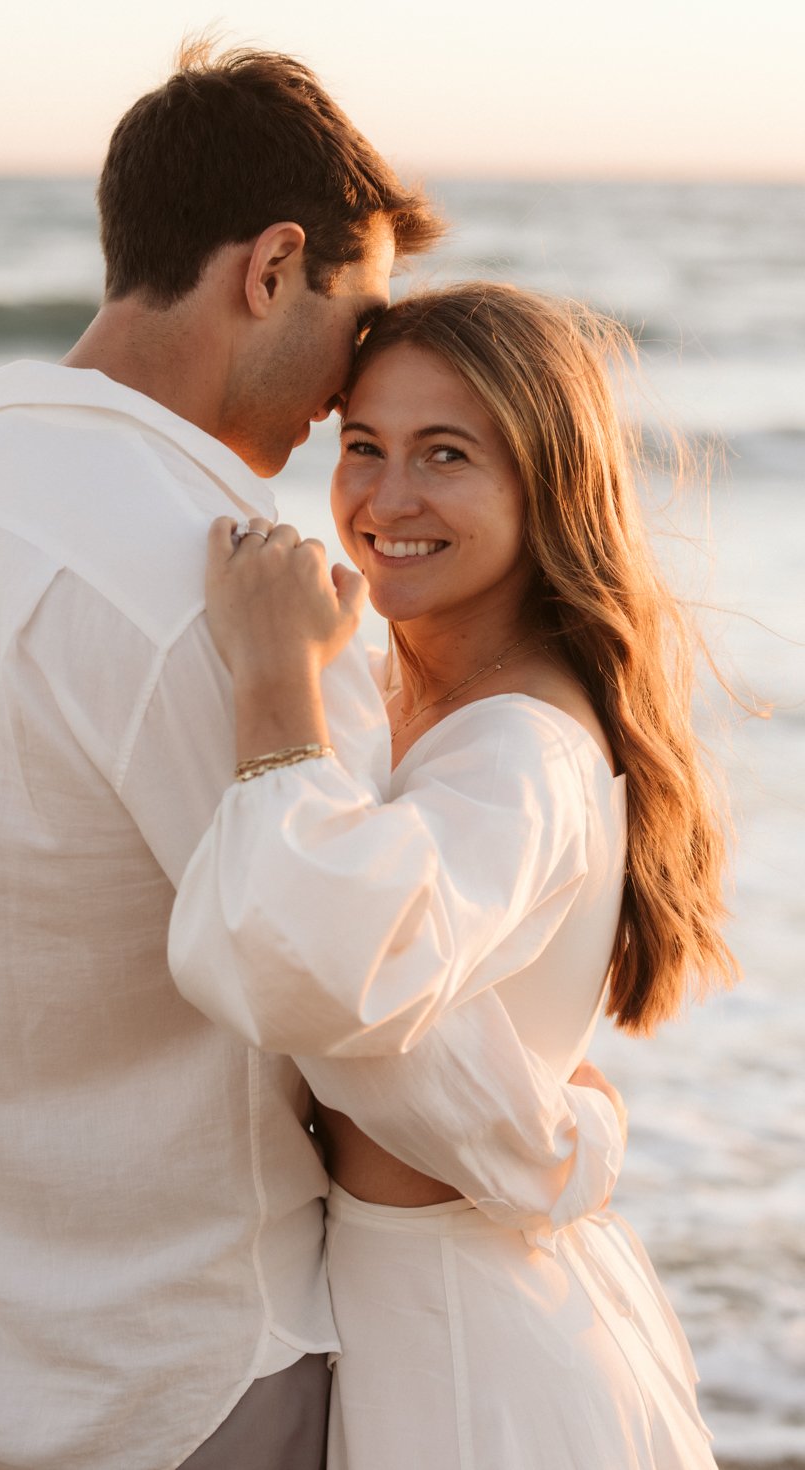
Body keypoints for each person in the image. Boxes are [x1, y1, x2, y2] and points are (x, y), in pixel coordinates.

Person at [0, 45, 625, 1470]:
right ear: (272, 268)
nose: (340, 393)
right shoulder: (225, 584)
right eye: (353, 317)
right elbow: (359, 1012)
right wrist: (572, 1145)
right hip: (167, 1381)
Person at [168, 282, 737, 1468]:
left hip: (466, 1348)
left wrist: (275, 689)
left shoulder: (514, 747)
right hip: (421, 1300)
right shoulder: (414, 684)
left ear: (548, 483)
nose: (386, 499)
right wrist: (27, 434)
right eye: (363, 445)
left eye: (446, 455)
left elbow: (318, 978)